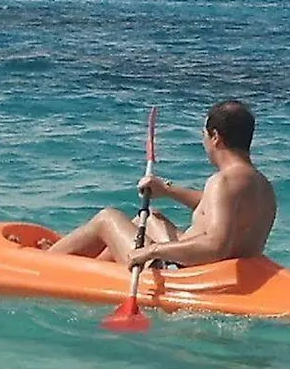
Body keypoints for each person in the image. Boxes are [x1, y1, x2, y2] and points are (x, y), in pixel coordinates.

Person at [51, 100, 276, 268]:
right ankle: (92, 265)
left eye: (204, 135)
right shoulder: (262, 186)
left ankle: (47, 261)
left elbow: (216, 247)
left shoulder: (223, 181)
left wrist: (152, 251)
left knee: (107, 218)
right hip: (223, 271)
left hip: (187, 273)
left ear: (215, 137)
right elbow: (216, 205)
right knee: (148, 218)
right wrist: (167, 190)